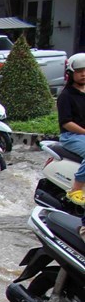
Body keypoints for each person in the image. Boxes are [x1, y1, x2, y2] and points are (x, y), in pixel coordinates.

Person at [57, 53, 85, 214]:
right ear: (71, 73)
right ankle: (76, 188)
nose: (83, 74)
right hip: (72, 136)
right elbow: (66, 123)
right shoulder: (66, 96)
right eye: (79, 71)